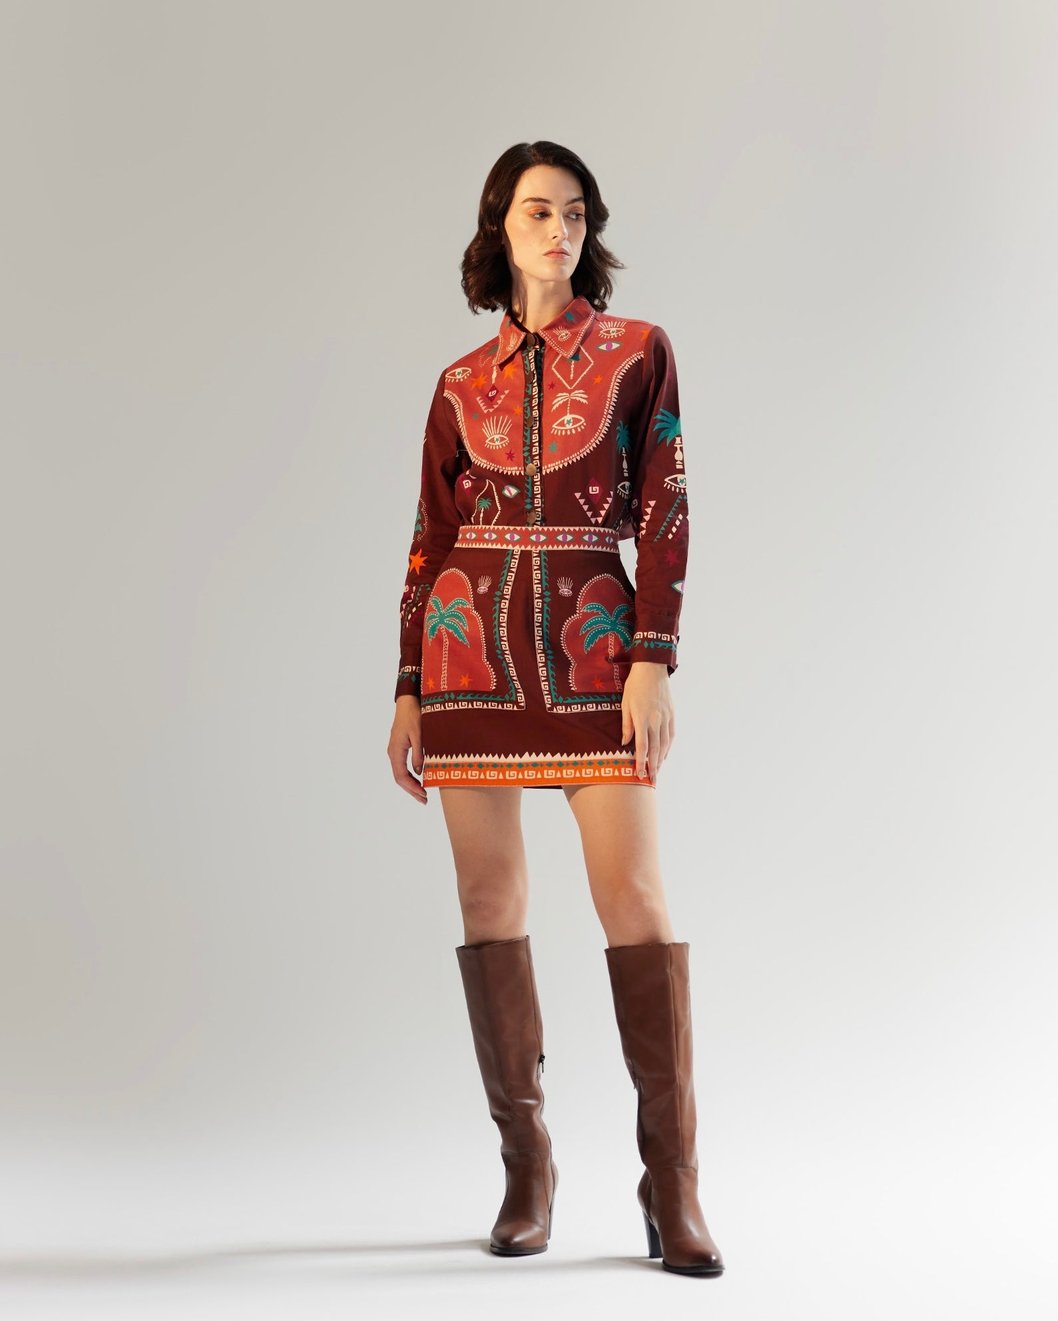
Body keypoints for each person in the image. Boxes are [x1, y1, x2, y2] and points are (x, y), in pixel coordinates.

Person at [387, 141, 723, 1278]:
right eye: (539, 211)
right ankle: (526, 1171)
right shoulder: (457, 383)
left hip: (595, 654)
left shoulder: (637, 353)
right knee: (489, 897)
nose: (560, 230)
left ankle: (672, 1184)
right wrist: (406, 685)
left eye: (576, 213)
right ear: (501, 226)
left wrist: (653, 657)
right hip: (467, 655)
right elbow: (429, 539)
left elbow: (667, 510)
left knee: (635, 899)